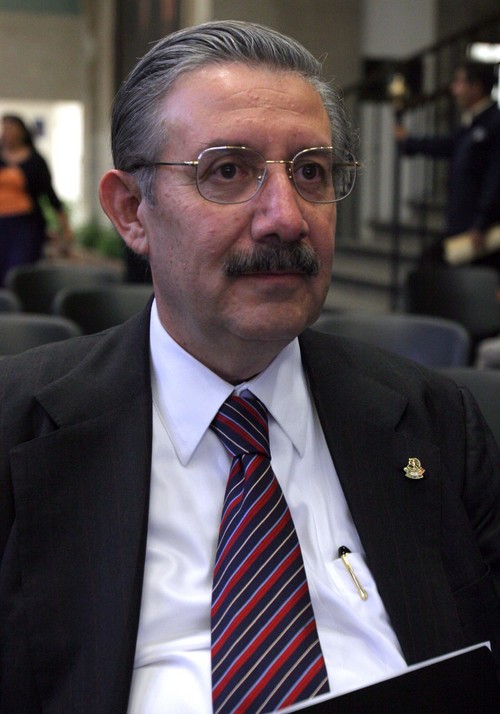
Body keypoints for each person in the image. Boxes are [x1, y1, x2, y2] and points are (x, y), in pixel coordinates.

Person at [1, 20, 499, 714]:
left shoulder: (435, 423)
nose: (285, 218)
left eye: (311, 172)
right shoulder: (17, 427)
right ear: (132, 212)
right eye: (228, 171)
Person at [394, 61, 500, 268]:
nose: (454, 90)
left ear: (476, 87)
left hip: (479, 229)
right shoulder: (472, 123)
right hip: (461, 223)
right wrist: (409, 142)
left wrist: (482, 221)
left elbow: (495, 178)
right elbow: (447, 144)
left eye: (459, 83)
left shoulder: (494, 123)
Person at [0, 114, 73, 285]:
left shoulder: (35, 161)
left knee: (18, 272)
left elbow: (50, 195)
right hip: (2, 225)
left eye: (12, 128)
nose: (7, 133)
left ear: (22, 132)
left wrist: (64, 228)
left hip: (25, 225)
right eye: (5, 128)